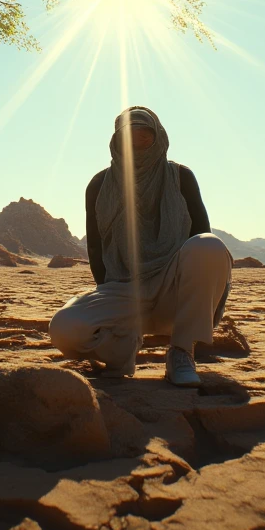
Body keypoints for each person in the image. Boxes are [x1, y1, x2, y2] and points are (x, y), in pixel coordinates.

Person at [49, 106, 232, 387]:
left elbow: (200, 237)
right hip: (122, 288)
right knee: (64, 328)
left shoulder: (181, 178)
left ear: (158, 138)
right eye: (128, 137)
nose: (137, 144)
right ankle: (121, 352)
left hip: (173, 286)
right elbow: (97, 251)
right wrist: (114, 303)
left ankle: (182, 352)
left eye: (144, 136)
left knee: (210, 246)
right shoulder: (99, 185)